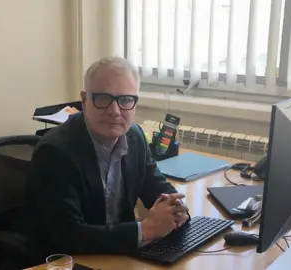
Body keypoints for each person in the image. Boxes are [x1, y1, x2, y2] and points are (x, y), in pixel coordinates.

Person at [21, 56, 190, 261]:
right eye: (103, 98)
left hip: (120, 255)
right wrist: (145, 230)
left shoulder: (134, 137)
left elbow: (158, 190)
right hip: (67, 261)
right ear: (84, 100)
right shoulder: (54, 152)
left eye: (126, 99)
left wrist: (177, 211)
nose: (115, 111)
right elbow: (68, 236)